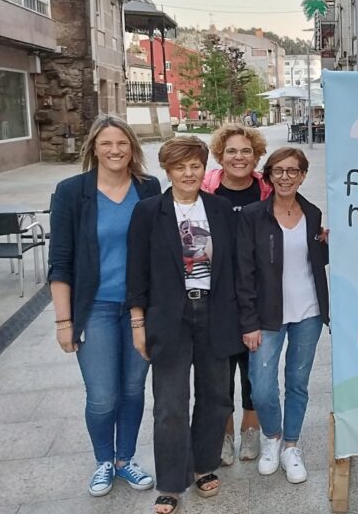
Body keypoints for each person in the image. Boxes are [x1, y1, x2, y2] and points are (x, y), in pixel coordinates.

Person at [127, 136, 243, 514]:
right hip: (170, 317)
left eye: (195, 165)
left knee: (216, 396)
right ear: (168, 170)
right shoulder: (148, 212)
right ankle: (171, 482)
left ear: (204, 168)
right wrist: (138, 322)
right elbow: (137, 271)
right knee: (170, 403)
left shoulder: (220, 208)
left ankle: (203, 464)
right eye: (180, 167)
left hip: (215, 312)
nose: (189, 173)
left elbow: (235, 266)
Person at [49, 115, 160, 498]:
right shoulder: (71, 192)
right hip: (95, 308)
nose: (115, 150)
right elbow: (60, 261)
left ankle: (125, 459)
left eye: (122, 143)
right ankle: (103, 461)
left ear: (133, 148)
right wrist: (63, 321)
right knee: (102, 396)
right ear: (94, 148)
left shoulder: (148, 188)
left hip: (140, 308)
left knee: (132, 389)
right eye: (107, 143)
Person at [236, 147, 329, 484]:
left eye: (292, 171)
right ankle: (271, 437)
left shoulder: (313, 213)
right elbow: (244, 272)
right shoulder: (253, 215)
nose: (285, 177)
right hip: (266, 315)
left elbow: (313, 259)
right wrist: (248, 321)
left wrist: (326, 244)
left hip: (308, 312)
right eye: (278, 170)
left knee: (297, 383)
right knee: (261, 388)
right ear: (269, 175)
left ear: (303, 175)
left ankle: (291, 445)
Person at [200, 123, 271, 466]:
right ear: (220, 156)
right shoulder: (204, 191)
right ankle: (225, 432)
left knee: (254, 368)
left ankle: (250, 429)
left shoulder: (268, 191)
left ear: (256, 156)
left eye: (246, 151)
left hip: (259, 293)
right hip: (216, 294)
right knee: (220, 370)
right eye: (231, 151)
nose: (239, 157)